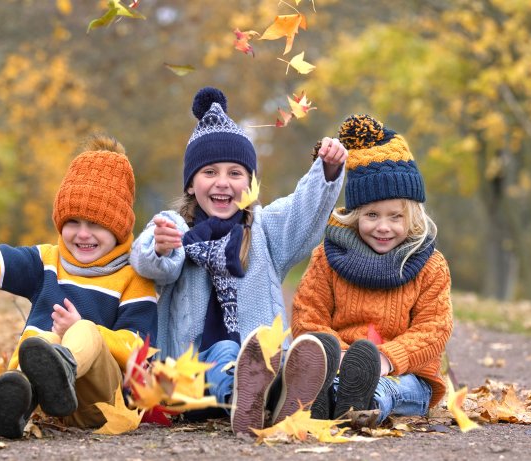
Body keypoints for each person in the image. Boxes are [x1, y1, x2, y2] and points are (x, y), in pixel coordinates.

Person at [0, 135, 157, 438]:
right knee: (42, 338)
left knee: (82, 331)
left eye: (96, 224)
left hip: (104, 403)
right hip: (54, 408)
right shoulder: (46, 262)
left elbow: (138, 348)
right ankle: (14, 408)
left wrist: (83, 329)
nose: (82, 234)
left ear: (119, 228)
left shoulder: (133, 276)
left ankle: (62, 369)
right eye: (73, 222)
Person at [130, 87, 347, 435]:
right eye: (210, 172)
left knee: (277, 353)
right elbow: (149, 261)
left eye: (235, 173)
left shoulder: (263, 231)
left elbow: (301, 213)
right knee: (229, 348)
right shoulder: (176, 227)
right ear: (190, 183)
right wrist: (160, 246)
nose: (223, 183)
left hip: (261, 362)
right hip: (187, 380)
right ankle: (245, 397)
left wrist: (327, 171)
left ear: (250, 183)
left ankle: (274, 394)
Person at [291, 114, 453, 424]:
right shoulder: (328, 257)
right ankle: (323, 398)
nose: (383, 227)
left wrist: (384, 359)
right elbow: (307, 316)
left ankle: (361, 406)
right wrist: (338, 357)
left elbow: (434, 330)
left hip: (405, 374)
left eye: (395, 217)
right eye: (372, 215)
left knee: (387, 391)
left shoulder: (430, 264)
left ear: (413, 218)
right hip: (337, 365)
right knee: (309, 366)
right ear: (354, 215)